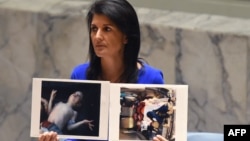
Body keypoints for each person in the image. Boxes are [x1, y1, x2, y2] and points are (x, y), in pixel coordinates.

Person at [39, 0, 167, 141]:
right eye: (94, 29)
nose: (97, 36)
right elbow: (78, 136)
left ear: (126, 36)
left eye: (107, 29)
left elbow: (154, 132)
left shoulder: (152, 78)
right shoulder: (80, 74)